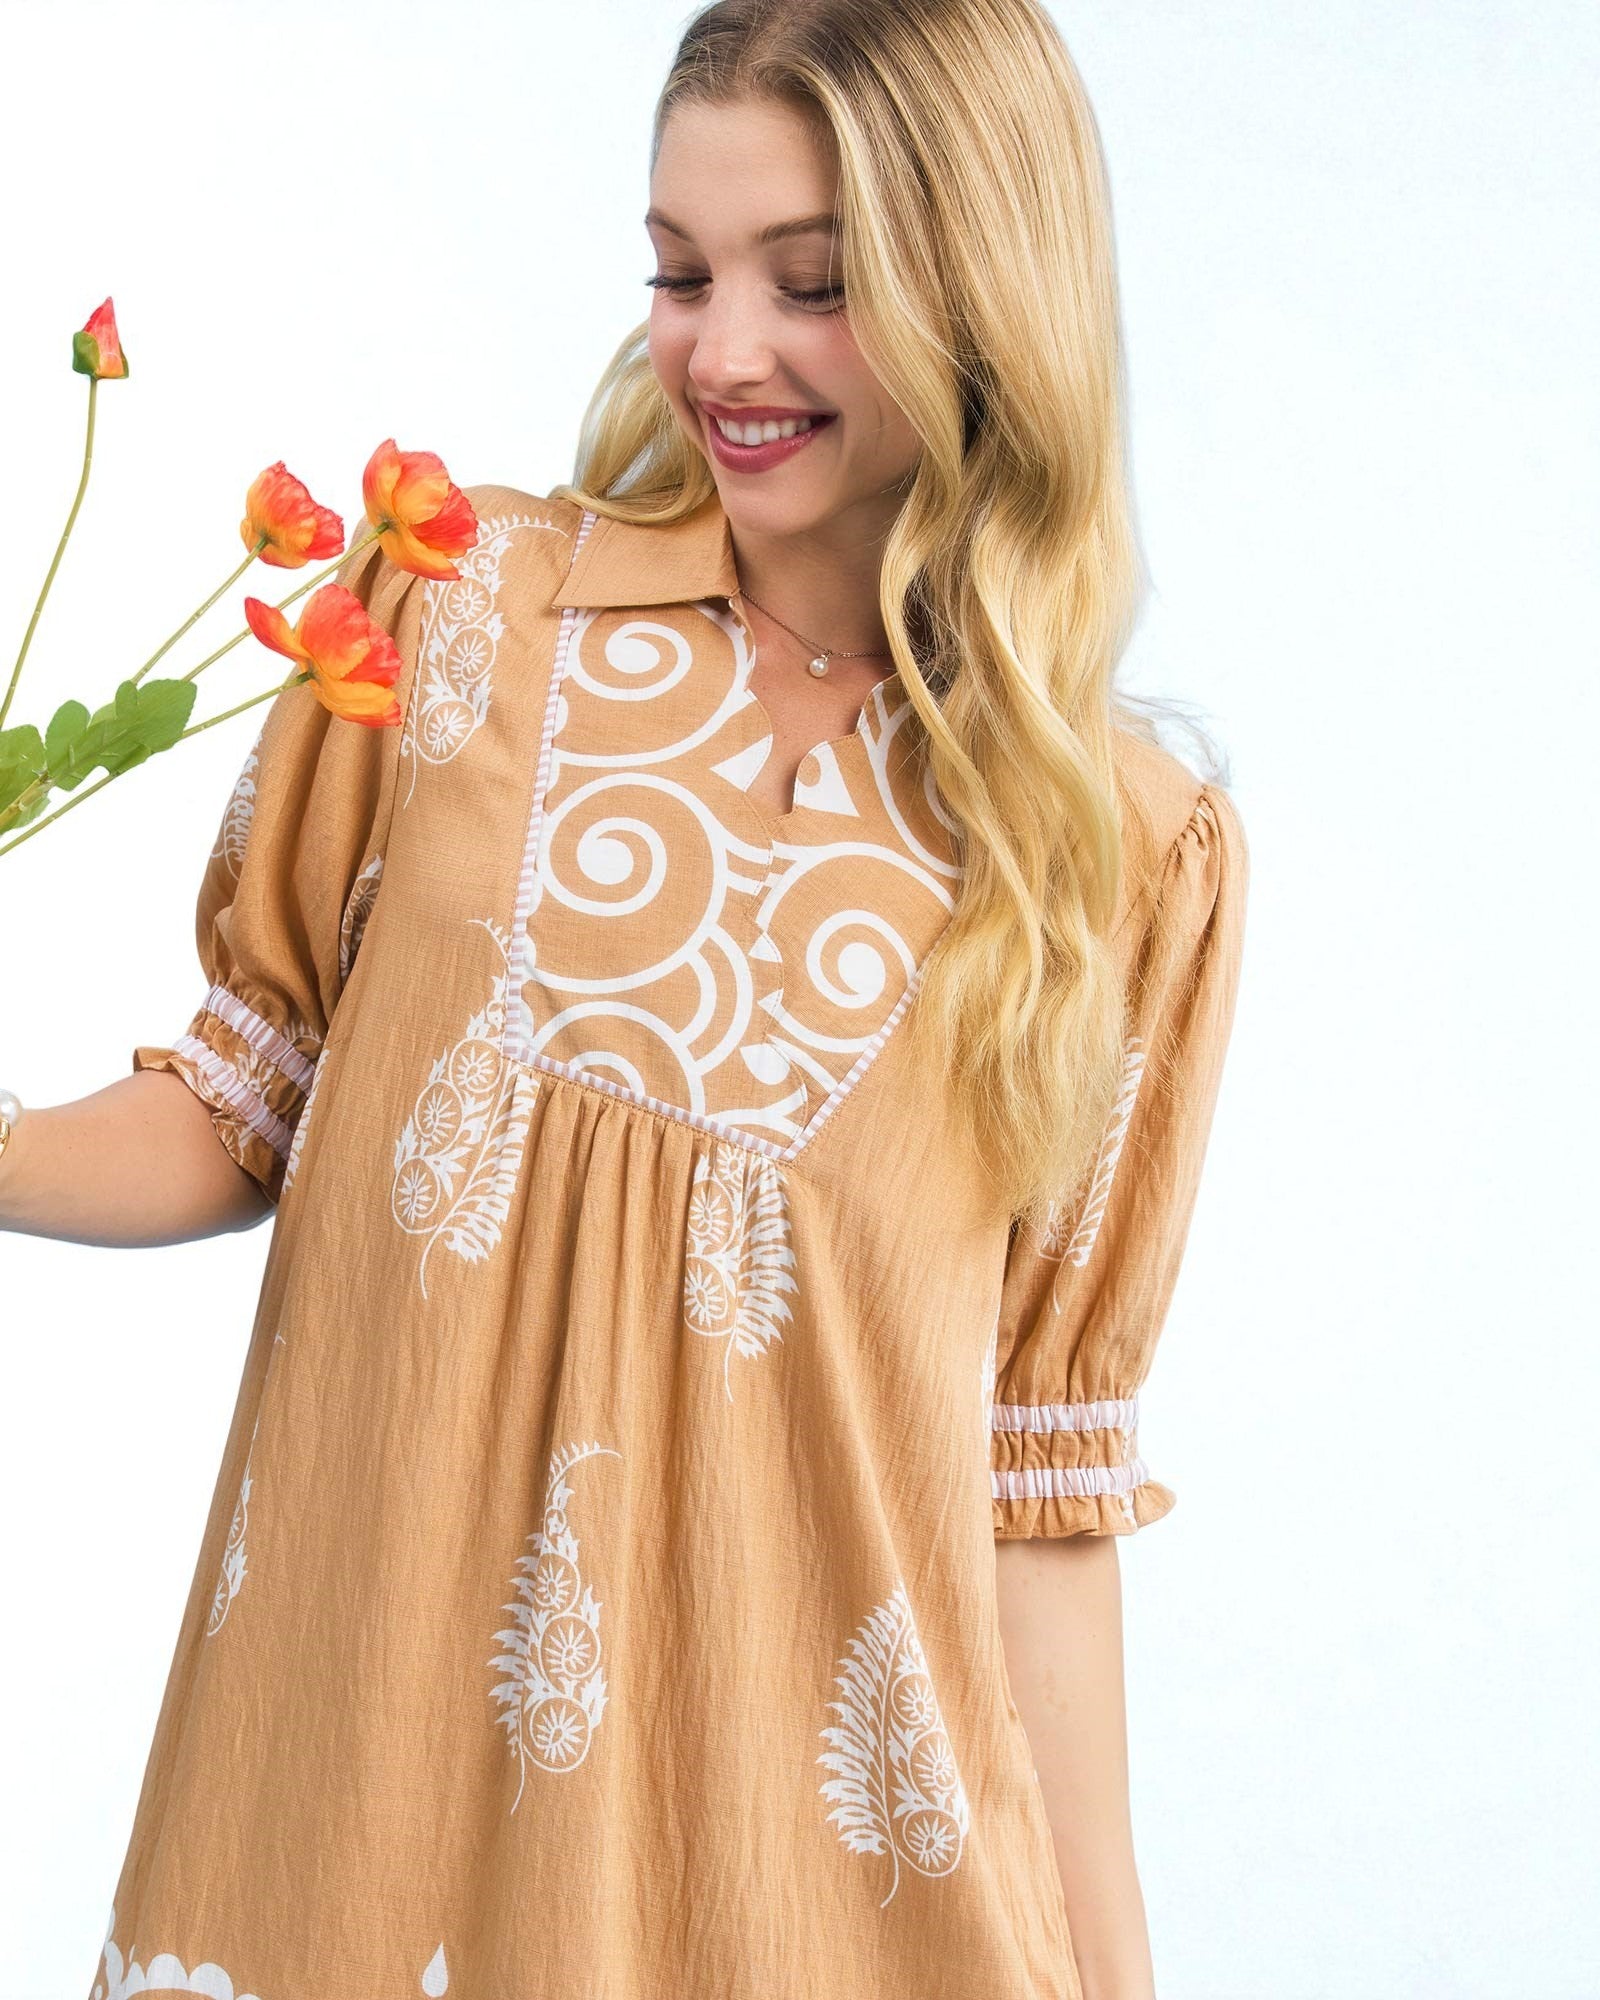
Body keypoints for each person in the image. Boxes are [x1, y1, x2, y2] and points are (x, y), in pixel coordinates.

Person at [0, 1, 1249, 1994]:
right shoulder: (455, 618)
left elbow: (1034, 1495)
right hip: (340, 1861)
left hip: (831, 1925)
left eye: (811, 284)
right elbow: (242, 1099)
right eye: (677, 271)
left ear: (981, 296)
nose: (720, 350)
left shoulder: (1111, 853)